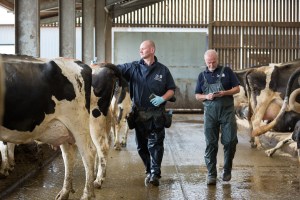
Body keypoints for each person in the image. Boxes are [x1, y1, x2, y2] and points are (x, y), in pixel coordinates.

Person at [117, 40, 176, 186]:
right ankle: (149, 169)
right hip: (139, 114)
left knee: (155, 145)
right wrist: (102, 66)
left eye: (143, 48)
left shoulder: (163, 70)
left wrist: (162, 98)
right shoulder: (133, 68)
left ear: (152, 50)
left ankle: (155, 173)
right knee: (141, 147)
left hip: (156, 114)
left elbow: (171, 90)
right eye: (140, 49)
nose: (140, 51)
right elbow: (116, 69)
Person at [195, 49, 240, 185]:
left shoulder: (227, 71)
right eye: (209, 62)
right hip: (210, 114)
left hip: (226, 111)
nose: (211, 64)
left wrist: (225, 93)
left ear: (217, 59)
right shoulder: (202, 76)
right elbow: (197, 95)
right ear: (205, 61)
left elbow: (237, 88)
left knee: (230, 141)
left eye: (213, 61)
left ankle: (227, 169)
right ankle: (211, 174)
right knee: (211, 143)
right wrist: (206, 96)